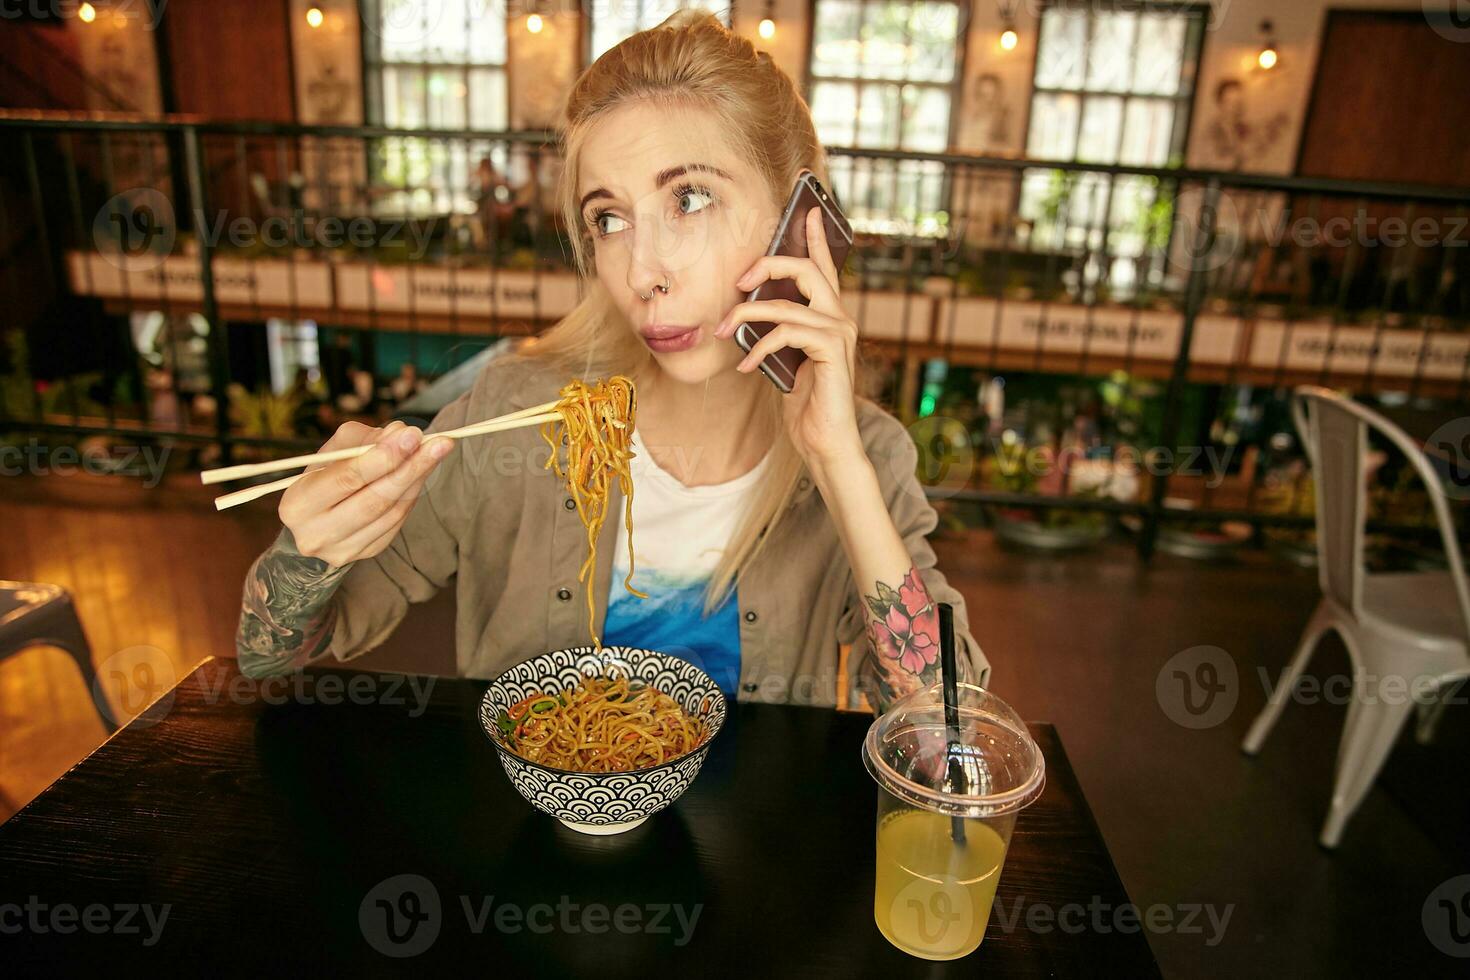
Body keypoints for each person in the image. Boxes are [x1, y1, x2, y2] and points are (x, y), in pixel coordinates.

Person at [234, 10, 988, 712]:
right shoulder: (513, 415)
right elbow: (271, 657)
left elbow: (943, 736)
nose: (641, 272)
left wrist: (838, 466)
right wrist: (308, 554)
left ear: (799, 221)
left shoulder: (870, 456)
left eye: (690, 198)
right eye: (610, 219)